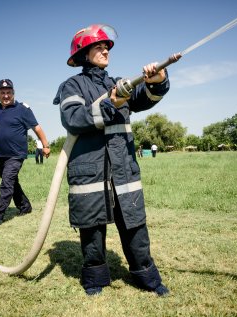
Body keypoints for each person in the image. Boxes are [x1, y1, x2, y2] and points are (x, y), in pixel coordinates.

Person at [53, 24, 170, 296]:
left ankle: (147, 278)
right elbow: (72, 118)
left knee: (135, 225)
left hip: (123, 170)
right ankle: (95, 279)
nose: (105, 49)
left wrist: (156, 81)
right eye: (98, 46)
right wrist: (110, 103)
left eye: (107, 46)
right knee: (91, 228)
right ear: (83, 53)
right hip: (90, 171)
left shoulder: (116, 82)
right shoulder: (73, 85)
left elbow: (145, 98)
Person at [0, 79, 51, 228]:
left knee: (6, 183)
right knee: (12, 183)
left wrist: (45, 145)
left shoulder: (23, 109)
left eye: (8, 92)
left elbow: (36, 128)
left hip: (16, 155)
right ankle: (25, 206)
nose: (6, 95)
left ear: (13, 93)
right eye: (3, 93)